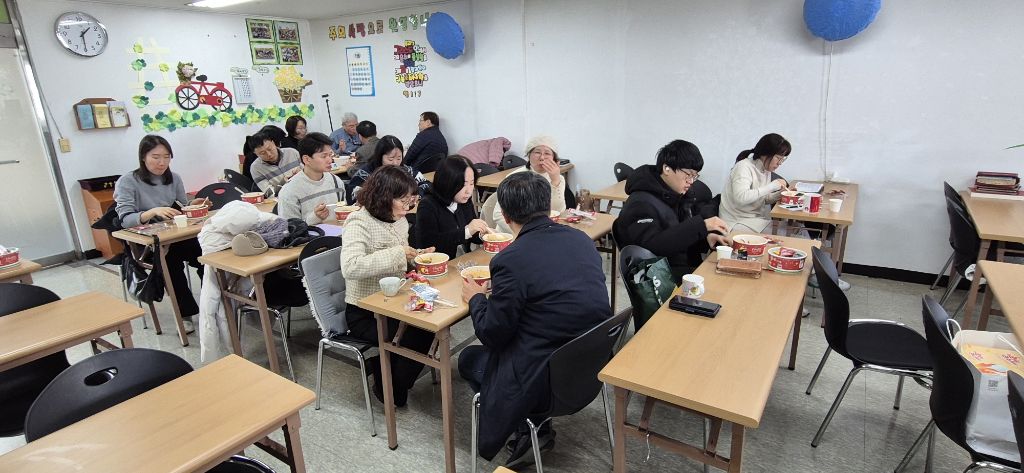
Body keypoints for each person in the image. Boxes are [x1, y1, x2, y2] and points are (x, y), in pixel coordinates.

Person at [459, 171, 610, 467]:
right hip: (590, 366)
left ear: (504, 215)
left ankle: (529, 428)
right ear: (547, 204)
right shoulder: (581, 239)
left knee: (468, 359)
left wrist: (476, 298)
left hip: (545, 380)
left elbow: (492, 334)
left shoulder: (510, 259)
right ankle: (534, 428)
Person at [339, 166, 436, 406]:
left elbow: (400, 257)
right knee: (416, 333)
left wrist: (416, 256)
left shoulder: (398, 219)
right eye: (403, 200)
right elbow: (350, 267)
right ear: (384, 197)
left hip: (395, 300)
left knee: (430, 326)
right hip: (365, 311)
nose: (408, 206)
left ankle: (391, 379)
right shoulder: (358, 222)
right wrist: (399, 254)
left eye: (411, 199)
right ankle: (389, 383)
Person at [114, 135, 207, 333]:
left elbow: (181, 207)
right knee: (169, 261)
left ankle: (214, 303)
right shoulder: (128, 181)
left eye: (166, 157)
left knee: (207, 252)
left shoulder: (174, 178)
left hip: (174, 236)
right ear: (143, 157)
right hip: (146, 244)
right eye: (155, 157)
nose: (162, 162)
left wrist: (193, 205)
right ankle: (185, 313)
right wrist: (152, 212)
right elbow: (125, 220)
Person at [614, 139, 730, 281]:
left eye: (695, 176)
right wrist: (702, 225)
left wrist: (705, 239)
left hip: (678, 268)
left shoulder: (674, 195)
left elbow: (677, 235)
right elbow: (653, 247)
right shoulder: (640, 203)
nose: (691, 181)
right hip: (659, 277)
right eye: (688, 174)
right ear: (666, 168)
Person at [414, 155, 489, 258]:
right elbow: (429, 244)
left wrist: (483, 234)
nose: (468, 191)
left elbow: (472, 235)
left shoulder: (464, 200)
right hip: (440, 263)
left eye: (471, 184)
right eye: (463, 184)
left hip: (463, 261)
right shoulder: (428, 205)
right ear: (448, 182)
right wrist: (466, 232)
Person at [489, 135, 566, 234]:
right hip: (513, 235)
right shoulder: (514, 178)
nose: (542, 157)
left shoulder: (558, 178)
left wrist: (555, 181)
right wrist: (526, 233)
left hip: (544, 232)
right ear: (529, 155)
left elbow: (558, 211)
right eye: (537, 152)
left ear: (554, 158)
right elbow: (498, 215)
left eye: (547, 153)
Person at [719, 133, 792, 233]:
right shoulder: (743, 167)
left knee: (798, 229)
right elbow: (741, 198)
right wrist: (772, 186)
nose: (780, 163)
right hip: (736, 222)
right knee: (792, 232)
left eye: (783, 159)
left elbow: (763, 199)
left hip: (754, 220)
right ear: (765, 154)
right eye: (778, 158)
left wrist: (782, 194)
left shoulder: (765, 168)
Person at [276, 132, 345, 224]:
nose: (330, 160)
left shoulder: (336, 181)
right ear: (306, 159)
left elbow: (343, 213)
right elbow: (289, 228)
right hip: (310, 233)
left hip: (339, 231)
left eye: (330, 155)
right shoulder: (289, 191)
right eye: (324, 156)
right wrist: (314, 217)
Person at [346, 135, 431, 203]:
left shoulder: (405, 170)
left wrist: (417, 194)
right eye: (390, 159)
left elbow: (427, 184)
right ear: (380, 157)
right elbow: (351, 193)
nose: (395, 163)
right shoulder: (367, 172)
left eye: (399, 158)